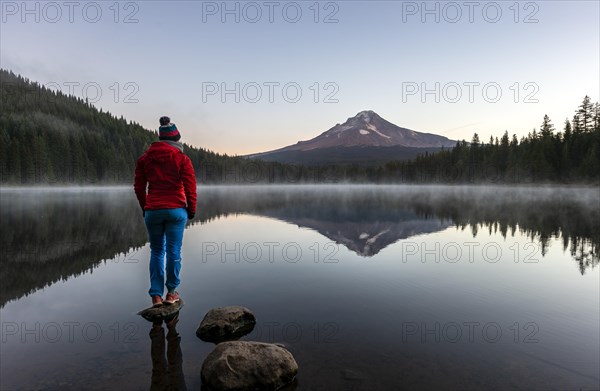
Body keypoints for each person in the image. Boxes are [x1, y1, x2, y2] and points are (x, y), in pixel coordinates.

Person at [134, 116, 197, 307]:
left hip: (153, 210)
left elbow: (138, 187)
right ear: (176, 140)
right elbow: (190, 187)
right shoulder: (182, 159)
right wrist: (191, 209)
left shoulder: (145, 159)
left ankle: (155, 296)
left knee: (156, 251)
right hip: (176, 210)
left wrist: (146, 207)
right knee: (173, 252)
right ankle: (171, 293)